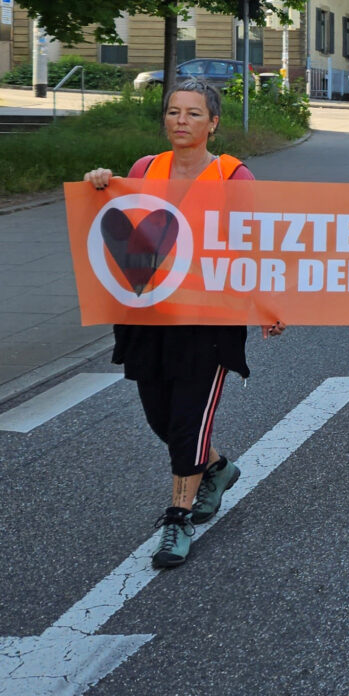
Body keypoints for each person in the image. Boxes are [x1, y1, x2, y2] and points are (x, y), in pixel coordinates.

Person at [83, 78, 286, 568]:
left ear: (213, 124)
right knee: (161, 417)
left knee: (188, 419)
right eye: (174, 112)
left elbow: (251, 246)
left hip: (209, 321)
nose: (181, 121)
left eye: (194, 113)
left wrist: (266, 304)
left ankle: (178, 519)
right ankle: (216, 468)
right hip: (149, 315)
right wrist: (99, 184)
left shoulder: (234, 176)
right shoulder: (144, 169)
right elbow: (118, 219)